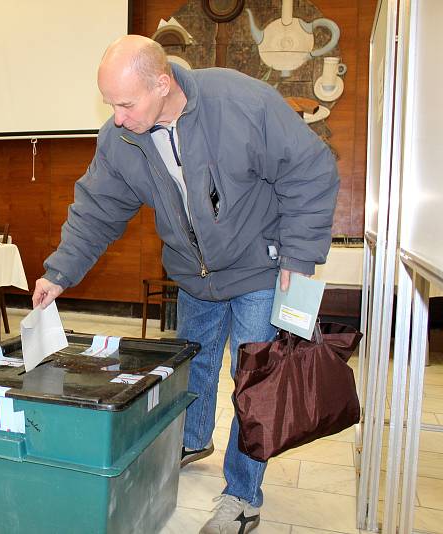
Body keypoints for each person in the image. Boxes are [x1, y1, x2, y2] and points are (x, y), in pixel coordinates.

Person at [32, 36, 339, 534]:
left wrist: (300, 256)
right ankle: (192, 439)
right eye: (110, 103)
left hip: (258, 267)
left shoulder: (242, 103)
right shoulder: (122, 138)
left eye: (126, 104)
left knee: (253, 383)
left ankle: (242, 494)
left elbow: (310, 170)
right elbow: (97, 208)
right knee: (187, 369)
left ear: (163, 82)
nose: (116, 117)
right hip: (192, 274)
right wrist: (59, 272)